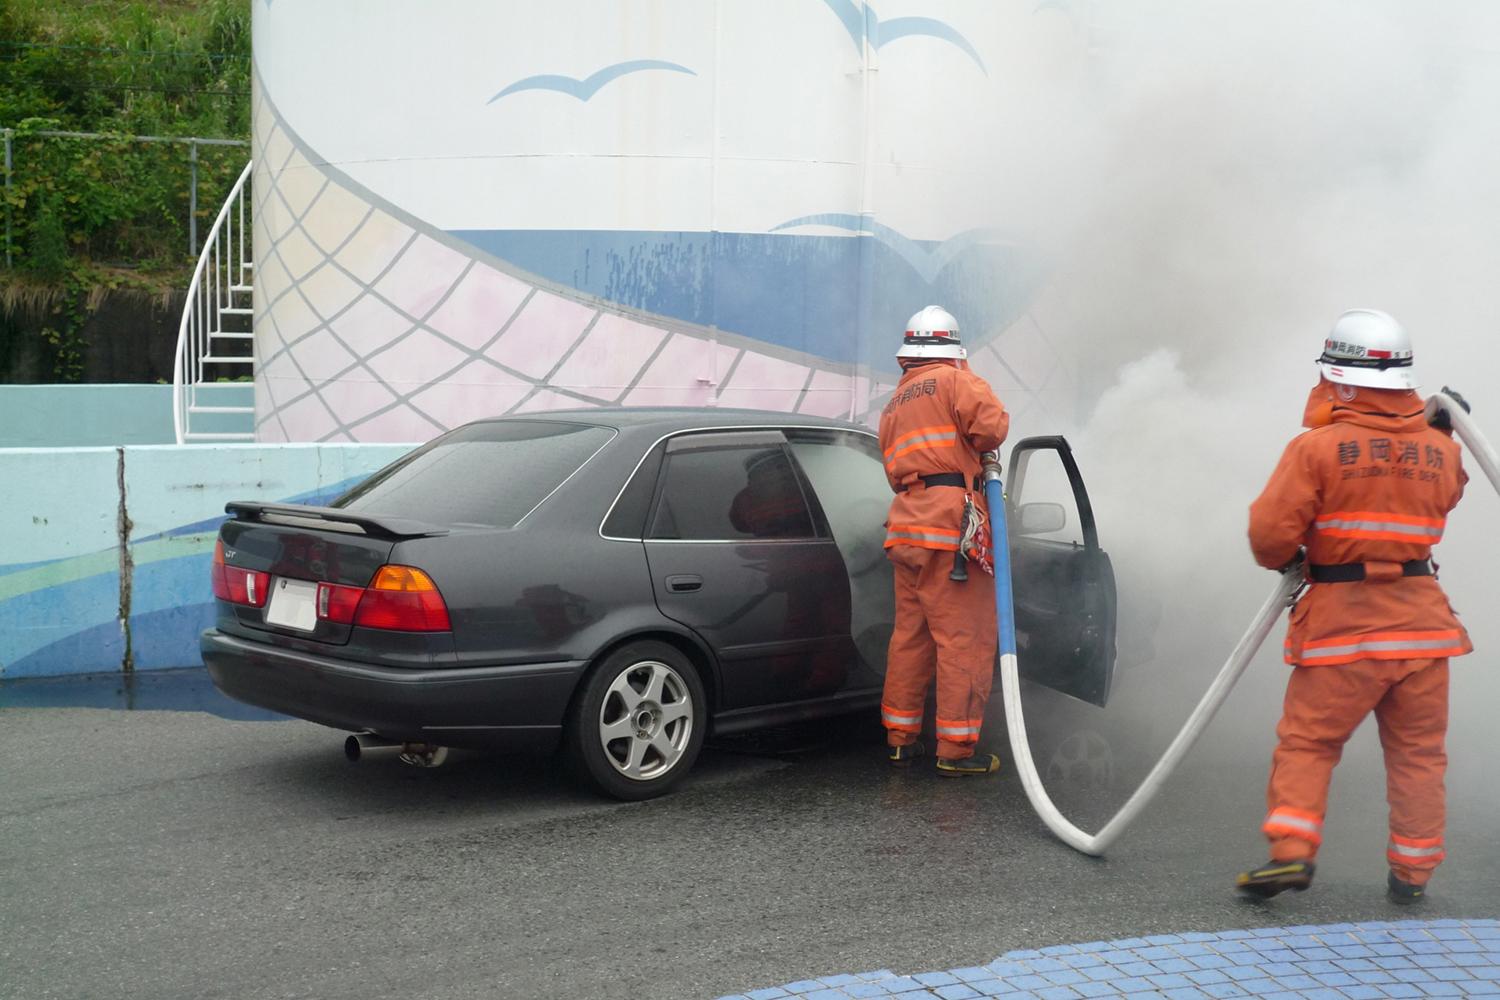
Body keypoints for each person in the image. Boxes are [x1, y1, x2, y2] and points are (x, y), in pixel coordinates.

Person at [1237, 309, 1471, 903]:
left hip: (1345, 628)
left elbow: (1268, 538)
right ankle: (1413, 873)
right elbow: (1448, 494)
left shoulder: (1316, 449)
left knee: (1309, 744)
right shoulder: (1441, 450)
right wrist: (1442, 432)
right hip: (1423, 630)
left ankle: (1291, 855)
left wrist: (1295, 553)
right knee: (1419, 757)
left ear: (1340, 379)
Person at [878, 305, 1009, 775]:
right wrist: (967, 374)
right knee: (963, 640)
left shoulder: (894, 403)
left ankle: (900, 738)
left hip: (907, 526)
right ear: (955, 350)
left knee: (910, 639)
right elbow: (992, 428)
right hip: (949, 531)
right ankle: (956, 751)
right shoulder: (955, 381)